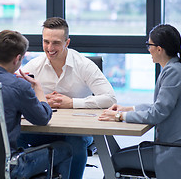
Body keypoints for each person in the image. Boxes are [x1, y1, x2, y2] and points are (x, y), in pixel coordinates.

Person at [99, 24, 181, 178]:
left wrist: (119, 117)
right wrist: (128, 109)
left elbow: (156, 114)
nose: (148, 49)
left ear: (159, 49)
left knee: (114, 160)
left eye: (149, 45)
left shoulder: (173, 72)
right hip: (179, 148)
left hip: (175, 152)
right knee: (118, 156)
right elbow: (161, 107)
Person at [19, 17, 116, 179]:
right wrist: (40, 100)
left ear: (67, 42)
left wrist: (72, 103)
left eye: (56, 43)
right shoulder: (34, 66)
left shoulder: (84, 65)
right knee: (14, 135)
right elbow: (17, 95)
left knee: (75, 143)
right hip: (46, 128)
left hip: (78, 129)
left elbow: (110, 98)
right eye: (46, 42)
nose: (50, 48)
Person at [0, 30, 72, 178]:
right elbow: (43, 119)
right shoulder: (18, 86)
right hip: (8, 168)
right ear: (18, 58)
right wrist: (38, 89)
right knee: (65, 149)